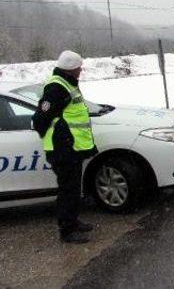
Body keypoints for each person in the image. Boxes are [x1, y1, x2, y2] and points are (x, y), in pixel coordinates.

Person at [32, 51, 98, 244]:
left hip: (72, 148)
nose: (81, 70)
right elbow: (40, 118)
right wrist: (60, 136)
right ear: (71, 69)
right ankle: (66, 230)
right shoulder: (56, 87)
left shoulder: (68, 83)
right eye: (79, 68)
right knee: (67, 190)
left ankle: (73, 220)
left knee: (73, 188)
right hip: (63, 149)